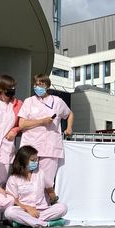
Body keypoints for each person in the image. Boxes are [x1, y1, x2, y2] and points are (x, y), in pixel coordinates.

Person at [18, 73, 73, 203]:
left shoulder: (58, 101)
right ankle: (28, 206)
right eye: (36, 84)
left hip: (50, 147)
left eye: (41, 84)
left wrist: (69, 128)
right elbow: (22, 124)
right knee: (27, 179)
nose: (38, 87)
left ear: (47, 86)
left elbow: (69, 114)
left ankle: (45, 207)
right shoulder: (28, 101)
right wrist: (41, 121)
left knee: (47, 180)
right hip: (30, 147)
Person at [4, 145, 67, 228]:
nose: (36, 162)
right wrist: (28, 209)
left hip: (42, 210)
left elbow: (49, 188)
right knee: (9, 212)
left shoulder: (41, 173)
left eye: (37, 159)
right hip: (24, 210)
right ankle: (46, 224)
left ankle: (24, 222)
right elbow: (13, 200)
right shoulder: (13, 178)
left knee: (63, 208)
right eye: (33, 160)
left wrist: (54, 202)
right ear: (23, 161)